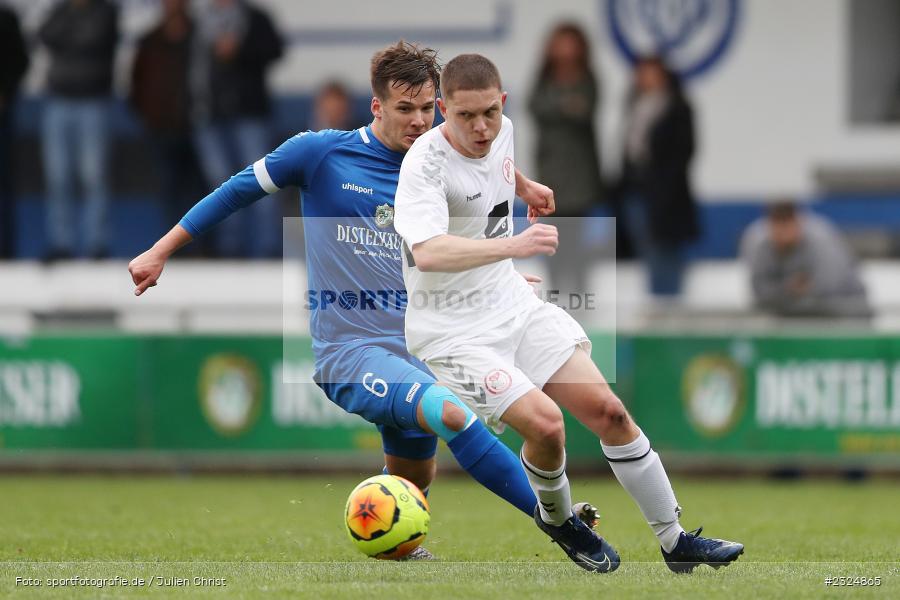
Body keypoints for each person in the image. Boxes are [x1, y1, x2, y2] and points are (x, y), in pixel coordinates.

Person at [128, 41, 596, 563]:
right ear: (376, 107)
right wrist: (160, 249)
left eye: (426, 109)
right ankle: (561, 525)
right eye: (404, 109)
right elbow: (237, 190)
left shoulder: (438, 167)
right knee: (454, 415)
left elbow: (477, 207)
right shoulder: (320, 154)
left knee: (412, 485)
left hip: (422, 345)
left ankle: (391, 537)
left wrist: (515, 229)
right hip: (350, 352)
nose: (418, 122)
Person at [394, 53, 744, 573]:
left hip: (509, 304)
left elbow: (493, 165)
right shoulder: (423, 164)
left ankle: (676, 543)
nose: (481, 127)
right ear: (443, 109)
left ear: (503, 102)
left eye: (490, 112)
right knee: (548, 426)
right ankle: (558, 519)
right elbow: (428, 252)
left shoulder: (501, 131)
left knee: (610, 413)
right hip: (454, 332)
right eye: (465, 117)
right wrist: (513, 248)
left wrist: (525, 186)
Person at [190, 0, 284, 258]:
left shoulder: (256, 18)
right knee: (219, 185)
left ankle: (268, 247)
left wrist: (239, 49)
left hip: (250, 114)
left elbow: (276, 50)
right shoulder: (198, 21)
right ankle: (230, 248)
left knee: (263, 181)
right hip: (209, 115)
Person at [38, 0, 119, 260]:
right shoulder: (60, 11)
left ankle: (97, 243)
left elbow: (92, 40)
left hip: (93, 102)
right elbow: (45, 35)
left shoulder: (105, 11)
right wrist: (71, 16)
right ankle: (61, 242)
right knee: (57, 177)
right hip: (58, 101)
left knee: (93, 176)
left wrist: (71, 32)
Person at [528, 23, 603, 295]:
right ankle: (558, 294)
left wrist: (559, 107)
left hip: (580, 180)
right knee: (552, 241)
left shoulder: (587, 78)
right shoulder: (545, 78)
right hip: (550, 176)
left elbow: (584, 110)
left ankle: (580, 296)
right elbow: (536, 106)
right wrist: (565, 105)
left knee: (576, 242)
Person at [616, 55, 698, 297]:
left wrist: (662, 185)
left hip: (666, 197)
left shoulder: (678, 108)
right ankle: (657, 301)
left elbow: (684, 152)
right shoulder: (634, 105)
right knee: (648, 252)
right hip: (637, 191)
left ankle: (669, 307)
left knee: (666, 254)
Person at [130, 0, 207, 254]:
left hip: (197, 126)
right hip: (161, 129)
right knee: (168, 191)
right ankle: (174, 251)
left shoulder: (200, 36)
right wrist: (150, 116)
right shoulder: (150, 40)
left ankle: (203, 250)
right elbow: (136, 84)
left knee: (202, 191)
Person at [740, 201, 870, 318]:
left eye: (787, 225)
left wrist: (786, 293)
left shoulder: (821, 240)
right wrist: (789, 289)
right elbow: (759, 291)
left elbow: (827, 289)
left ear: (797, 222)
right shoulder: (762, 245)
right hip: (792, 316)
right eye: (777, 226)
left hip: (845, 313)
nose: (783, 234)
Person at [0, 3, 29, 259]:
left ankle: (5, 249)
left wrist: (4, 93)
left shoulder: (6, 18)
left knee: (5, 184)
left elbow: (20, 60)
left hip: (2, 113)